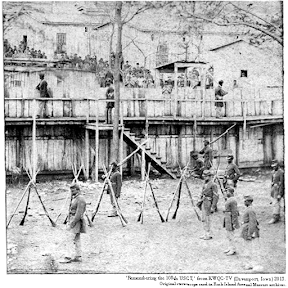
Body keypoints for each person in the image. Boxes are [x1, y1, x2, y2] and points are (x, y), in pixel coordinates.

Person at [65, 183, 87, 263]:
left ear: (78, 190)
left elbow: (78, 214)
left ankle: (69, 256)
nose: (71, 191)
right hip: (73, 219)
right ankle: (78, 256)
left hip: (76, 221)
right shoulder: (76, 198)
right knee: (76, 239)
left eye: (73, 190)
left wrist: (72, 223)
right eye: (71, 190)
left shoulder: (80, 199)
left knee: (70, 238)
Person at [240, 195, 260, 270]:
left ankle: (249, 264)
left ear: (249, 202)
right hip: (246, 229)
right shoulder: (248, 209)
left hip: (248, 230)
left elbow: (253, 222)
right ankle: (247, 263)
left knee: (248, 248)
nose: (244, 202)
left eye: (245, 201)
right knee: (246, 247)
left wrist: (250, 233)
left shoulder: (250, 210)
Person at [197, 170, 218, 240]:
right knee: (204, 219)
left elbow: (216, 196)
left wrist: (213, 206)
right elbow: (202, 193)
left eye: (206, 176)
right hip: (203, 201)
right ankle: (205, 233)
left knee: (207, 219)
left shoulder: (213, 184)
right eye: (204, 176)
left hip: (208, 202)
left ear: (210, 176)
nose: (204, 177)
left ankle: (208, 234)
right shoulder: (204, 184)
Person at [223, 187, 240, 256]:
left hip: (230, 218)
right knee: (228, 234)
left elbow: (235, 212)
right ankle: (230, 247)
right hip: (227, 217)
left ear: (230, 192)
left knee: (231, 235)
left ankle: (233, 249)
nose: (226, 193)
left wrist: (234, 222)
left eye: (227, 191)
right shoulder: (229, 199)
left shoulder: (233, 201)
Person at [269, 159, 284, 224]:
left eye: (275, 166)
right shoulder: (273, 172)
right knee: (274, 203)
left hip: (278, 190)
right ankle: (277, 216)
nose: (274, 167)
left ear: (278, 165)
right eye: (273, 166)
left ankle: (275, 217)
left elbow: (282, 183)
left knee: (276, 204)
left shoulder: (281, 172)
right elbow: (272, 182)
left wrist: (280, 194)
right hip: (274, 190)